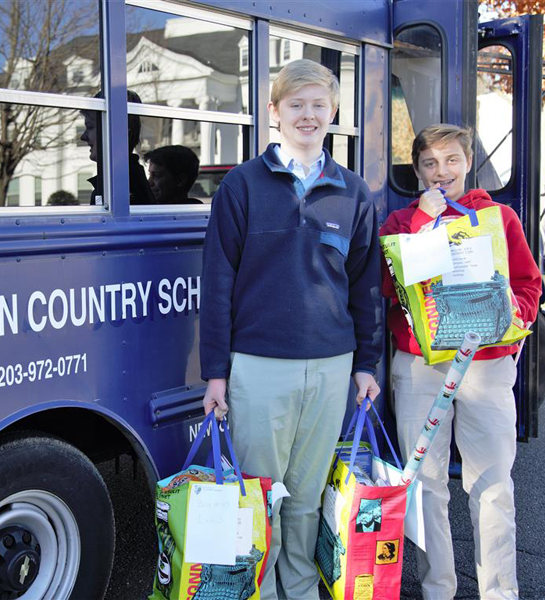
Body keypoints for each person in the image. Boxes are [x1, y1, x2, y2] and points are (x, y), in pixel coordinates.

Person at [200, 59, 382, 599]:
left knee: (305, 497)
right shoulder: (241, 186)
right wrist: (216, 373)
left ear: (334, 113)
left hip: (331, 366)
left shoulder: (353, 191)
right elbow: (217, 283)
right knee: (261, 497)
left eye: (318, 105)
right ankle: (261, 592)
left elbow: (366, 287)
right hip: (260, 367)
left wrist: (367, 364)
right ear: (274, 112)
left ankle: (300, 590)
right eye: (295, 105)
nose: (308, 115)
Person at [380, 124, 542, 600]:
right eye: (430, 163)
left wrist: (517, 315)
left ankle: (499, 591)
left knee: (492, 484)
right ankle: (438, 589)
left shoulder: (498, 218)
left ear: (467, 162)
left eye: (451, 160)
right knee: (427, 486)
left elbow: (529, 285)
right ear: (417, 171)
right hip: (419, 367)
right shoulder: (399, 222)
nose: (441, 172)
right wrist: (419, 226)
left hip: (486, 364)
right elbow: (388, 288)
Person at [79, 90, 154, 205]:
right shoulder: (119, 184)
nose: (83, 137)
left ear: (119, 135)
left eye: (90, 127)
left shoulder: (122, 191)